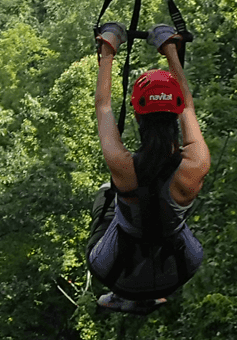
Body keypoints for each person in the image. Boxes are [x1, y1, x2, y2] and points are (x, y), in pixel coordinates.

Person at [87, 22, 211, 314]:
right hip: (176, 270)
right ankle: (148, 296)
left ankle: (126, 297)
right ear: (175, 113)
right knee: (162, 215)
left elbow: (103, 106)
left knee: (106, 197)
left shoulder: (123, 165)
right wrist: (170, 51)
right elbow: (189, 108)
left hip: (118, 273)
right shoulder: (196, 163)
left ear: (138, 116)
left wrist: (108, 52)